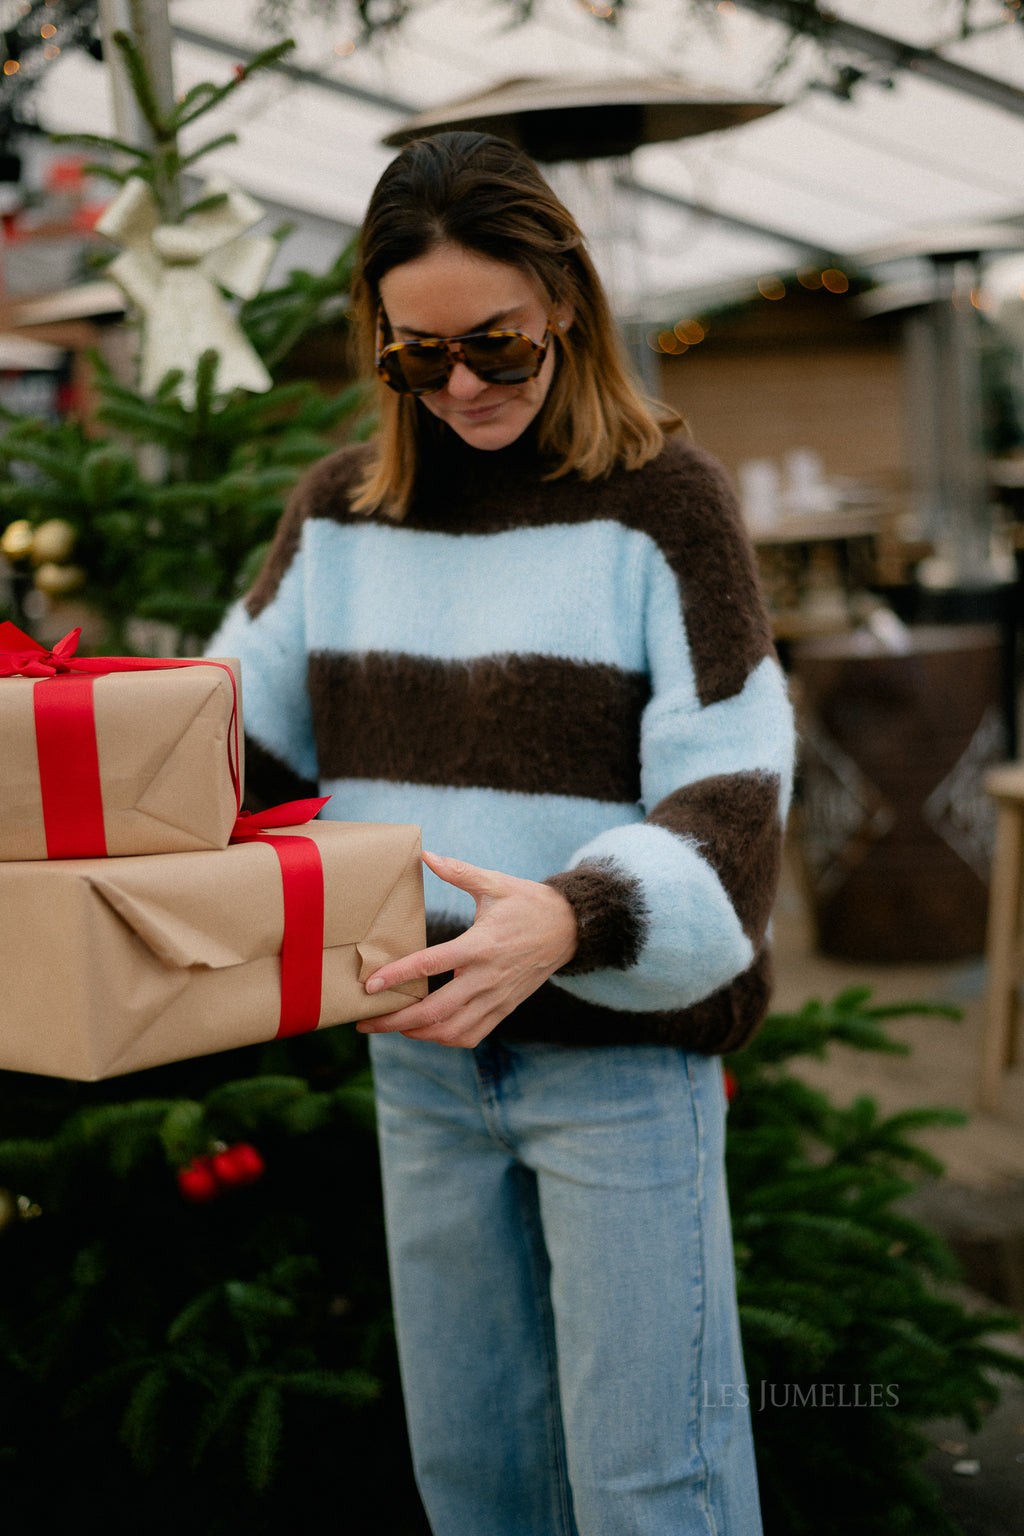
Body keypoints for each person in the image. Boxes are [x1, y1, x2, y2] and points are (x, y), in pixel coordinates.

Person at [211, 129, 795, 1536]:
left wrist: (572, 919)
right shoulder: (342, 516)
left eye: (499, 349)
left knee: (656, 1488)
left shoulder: (666, 508)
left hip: (618, 1067)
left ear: (567, 309)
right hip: (419, 1062)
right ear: (381, 342)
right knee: (475, 1480)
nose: (460, 386)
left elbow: (734, 796)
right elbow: (227, 756)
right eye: (419, 357)